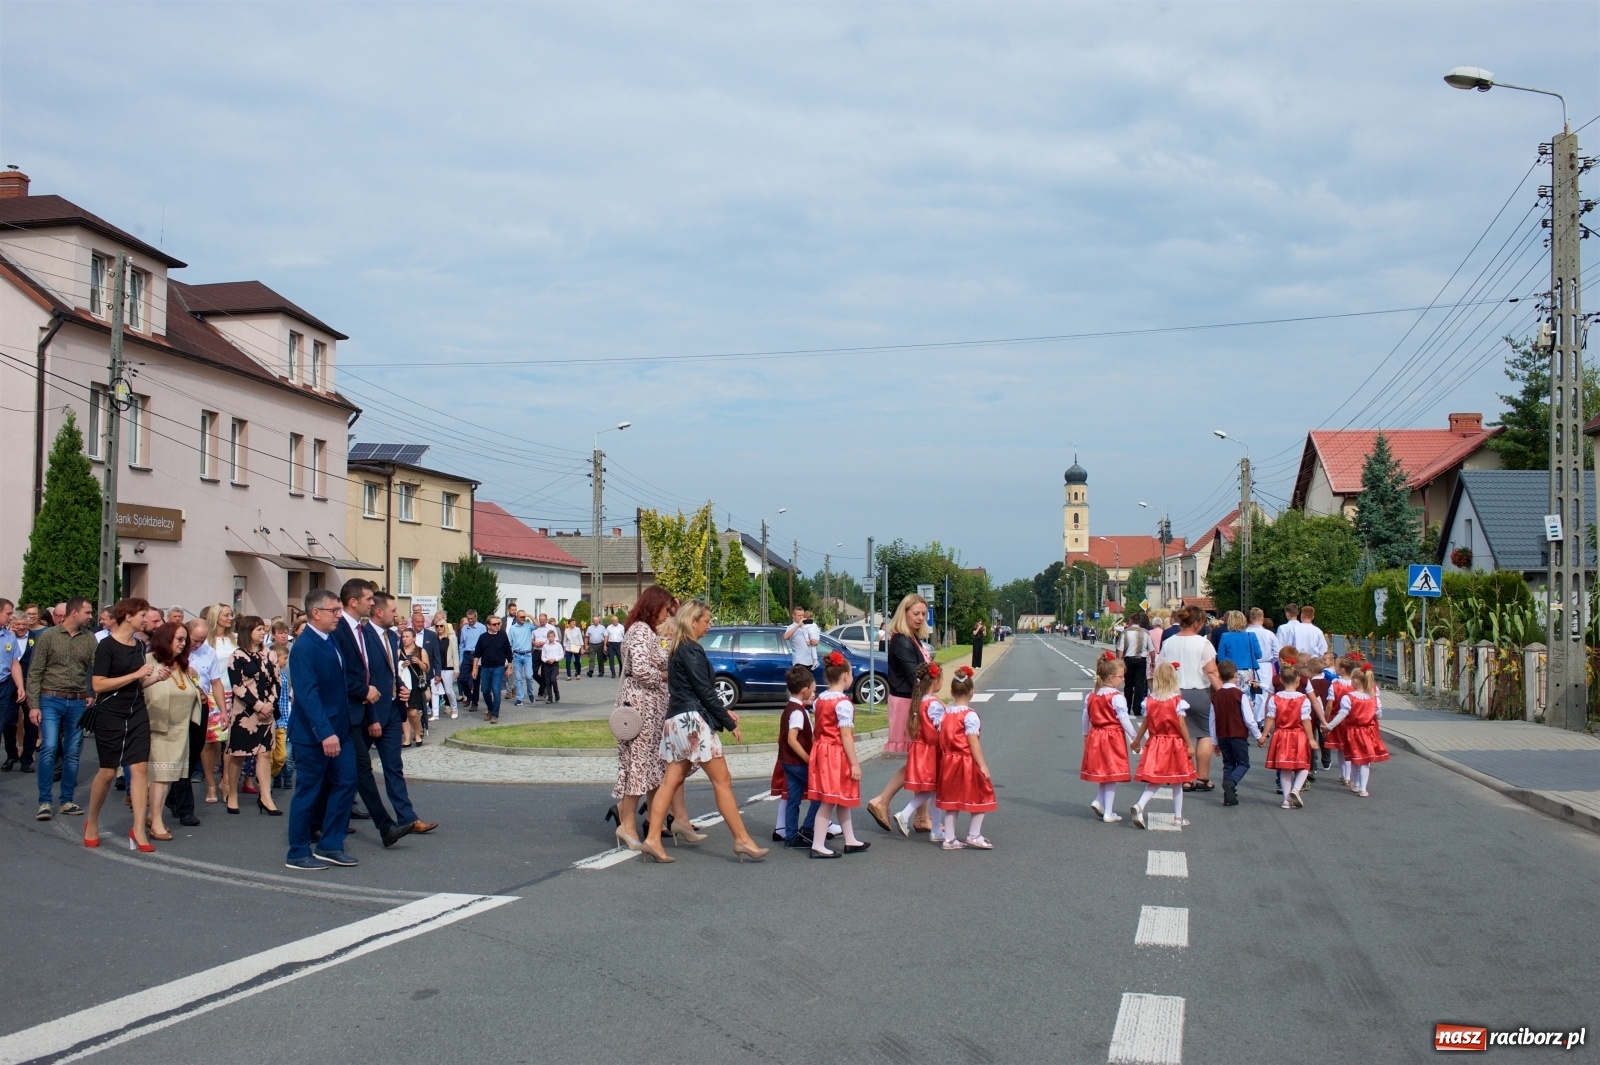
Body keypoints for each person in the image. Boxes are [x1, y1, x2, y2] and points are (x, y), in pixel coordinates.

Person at [639, 601, 768, 864]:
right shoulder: (691, 650)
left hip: (676, 720)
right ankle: (741, 839)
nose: (709, 625)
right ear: (693, 621)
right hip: (692, 722)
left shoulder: (678, 648)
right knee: (722, 781)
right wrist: (729, 723)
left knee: (671, 780)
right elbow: (705, 692)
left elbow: (697, 691)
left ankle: (653, 839)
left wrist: (722, 713)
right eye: (706, 621)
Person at [608, 586, 694, 849]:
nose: (667, 613)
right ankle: (628, 825)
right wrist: (666, 676)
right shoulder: (640, 631)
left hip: (653, 708)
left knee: (654, 767)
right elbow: (641, 670)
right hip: (642, 707)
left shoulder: (649, 631)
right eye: (665, 608)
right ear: (653, 605)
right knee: (639, 766)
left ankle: (651, 823)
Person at [285, 589, 358, 870]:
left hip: (340, 729)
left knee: (347, 781)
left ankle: (330, 843)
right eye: (334, 611)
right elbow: (307, 695)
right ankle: (298, 850)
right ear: (316, 613)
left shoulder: (329, 641)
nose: (339, 615)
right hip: (314, 734)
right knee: (309, 791)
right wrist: (325, 732)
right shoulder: (304, 648)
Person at [84, 598, 159, 852]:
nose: (146, 619)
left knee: (139, 768)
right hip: (110, 713)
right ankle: (92, 820)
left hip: (136, 710)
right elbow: (99, 685)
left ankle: (138, 829)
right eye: (143, 615)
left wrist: (154, 678)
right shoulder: (106, 646)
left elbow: (136, 684)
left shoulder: (139, 645)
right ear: (128, 616)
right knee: (107, 772)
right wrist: (136, 675)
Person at [866, 593, 934, 833]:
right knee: (920, 759)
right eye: (915, 613)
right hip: (908, 704)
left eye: (923, 614)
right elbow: (915, 675)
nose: (920, 618)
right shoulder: (902, 640)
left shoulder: (910, 639)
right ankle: (882, 801)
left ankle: (922, 817)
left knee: (920, 760)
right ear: (904, 613)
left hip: (911, 701)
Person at [27, 597, 97, 819]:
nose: (90, 616)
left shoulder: (89, 639)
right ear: (74, 613)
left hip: (77, 700)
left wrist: (92, 692)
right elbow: (35, 672)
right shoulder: (49, 636)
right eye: (87, 612)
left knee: (73, 752)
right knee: (48, 747)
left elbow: (98, 668)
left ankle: (67, 800)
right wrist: (34, 706)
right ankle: (45, 801)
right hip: (51, 698)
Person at [805, 651, 869, 859]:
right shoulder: (842, 703)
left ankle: (850, 839)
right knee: (829, 800)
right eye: (851, 674)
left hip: (822, 750)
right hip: (835, 753)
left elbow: (818, 729)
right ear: (845, 676)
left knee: (840, 798)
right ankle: (818, 845)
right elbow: (846, 736)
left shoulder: (821, 700)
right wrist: (855, 763)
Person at [143, 622, 200, 840]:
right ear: (165, 639)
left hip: (180, 728)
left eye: (185, 639)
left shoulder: (183, 665)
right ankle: (156, 820)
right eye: (179, 639)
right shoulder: (149, 661)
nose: (183, 643)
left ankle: (153, 815)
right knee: (160, 774)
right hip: (158, 727)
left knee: (169, 777)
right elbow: (139, 688)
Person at [1156, 606, 1221, 793]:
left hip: (1174, 694)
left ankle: (1185, 778)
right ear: (1196, 623)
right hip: (1198, 692)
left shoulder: (1169, 643)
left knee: (1180, 736)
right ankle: (1202, 778)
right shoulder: (1203, 644)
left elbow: (1160, 668)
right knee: (1205, 734)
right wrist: (1224, 693)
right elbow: (1211, 671)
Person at [1129, 663, 1197, 830]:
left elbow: (1145, 723)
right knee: (1177, 780)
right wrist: (1189, 745)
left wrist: (1137, 741)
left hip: (1156, 743)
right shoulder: (1176, 701)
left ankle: (1140, 805)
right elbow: (1181, 725)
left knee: (1156, 779)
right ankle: (1178, 817)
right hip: (1174, 743)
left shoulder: (1150, 700)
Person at [935, 664, 996, 850]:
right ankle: (974, 834)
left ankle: (950, 838)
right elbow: (973, 742)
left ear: (952, 692)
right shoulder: (970, 716)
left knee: (952, 800)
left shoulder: (946, 714)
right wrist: (983, 765)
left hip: (948, 761)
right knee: (982, 794)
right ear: (971, 692)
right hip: (966, 761)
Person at [224, 616, 281, 815]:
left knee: (264, 753)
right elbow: (237, 686)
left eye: (263, 629)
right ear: (248, 631)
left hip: (267, 710)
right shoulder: (237, 656)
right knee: (238, 755)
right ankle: (232, 793)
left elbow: (277, 681)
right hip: (244, 711)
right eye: (259, 629)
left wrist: (270, 704)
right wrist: (257, 705)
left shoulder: (270, 654)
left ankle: (266, 796)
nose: (263, 632)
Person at [1082, 653, 1136, 823]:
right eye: (1121, 677)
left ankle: (1099, 801)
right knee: (1113, 773)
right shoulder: (1117, 698)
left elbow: (1085, 717)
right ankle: (1109, 812)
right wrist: (1134, 737)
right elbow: (1124, 720)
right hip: (1112, 737)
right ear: (1112, 678)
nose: (1123, 680)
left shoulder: (1092, 695)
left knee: (1104, 772)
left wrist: (1085, 734)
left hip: (1096, 735)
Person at [894, 661, 944, 839]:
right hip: (931, 752)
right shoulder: (934, 704)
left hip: (921, 750)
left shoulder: (920, 701)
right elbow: (941, 729)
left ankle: (936, 830)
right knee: (934, 789)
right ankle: (905, 814)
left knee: (935, 791)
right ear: (935, 681)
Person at [1325, 660, 1388, 797]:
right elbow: (1379, 715)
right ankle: (1363, 788)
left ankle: (1354, 783)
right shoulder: (1374, 698)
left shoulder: (1349, 698)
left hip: (1353, 732)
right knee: (1365, 761)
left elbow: (1342, 715)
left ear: (1356, 681)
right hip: (1368, 732)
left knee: (1354, 758)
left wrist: (1329, 726)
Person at [777, 664, 822, 849]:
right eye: (813, 688)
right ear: (805, 690)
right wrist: (807, 758)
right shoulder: (798, 711)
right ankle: (808, 827)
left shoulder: (790, 708)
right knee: (819, 794)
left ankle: (791, 836)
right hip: (798, 763)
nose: (814, 691)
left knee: (793, 798)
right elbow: (792, 739)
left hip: (787, 762)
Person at [1261, 663, 1318, 810]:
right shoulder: (1303, 699)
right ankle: (1296, 789)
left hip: (1281, 735)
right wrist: (1311, 738)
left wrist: (1264, 734)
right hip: (1298, 735)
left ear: (1280, 680)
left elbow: (1270, 717)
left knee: (1284, 768)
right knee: (1304, 765)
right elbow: (1306, 720)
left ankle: (1286, 800)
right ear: (1298, 680)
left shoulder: (1276, 699)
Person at [1209, 661, 1260, 807]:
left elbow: (1212, 721)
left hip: (1222, 735)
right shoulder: (1240, 695)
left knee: (1228, 763)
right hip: (1238, 734)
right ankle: (1231, 782)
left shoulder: (1215, 696)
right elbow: (1249, 719)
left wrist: (1214, 742)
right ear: (1236, 675)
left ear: (1220, 676)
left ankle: (1228, 796)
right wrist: (1258, 735)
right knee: (1243, 763)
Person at [0, 600, 37, 773]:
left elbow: (15, 663)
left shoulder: (27, 639)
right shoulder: (9, 635)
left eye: (24, 624)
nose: (21, 627)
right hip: (8, 686)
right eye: (9, 614)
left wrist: (22, 686)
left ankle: (26, 758)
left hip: (19, 685)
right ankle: (11, 754)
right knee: (8, 723)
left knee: (29, 722)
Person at [471, 615, 513, 723]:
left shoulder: (502, 635)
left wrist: (510, 666)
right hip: (485, 667)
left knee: (496, 690)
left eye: (499, 624)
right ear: (488, 625)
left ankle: (495, 715)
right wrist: (474, 669)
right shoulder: (483, 637)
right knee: (485, 691)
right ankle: (490, 708)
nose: (497, 626)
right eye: (494, 624)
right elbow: (477, 654)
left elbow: (508, 651)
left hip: (498, 667)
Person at [1244, 608, 1279, 727]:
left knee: (1249, 692)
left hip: (1248, 665)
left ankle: (1250, 718)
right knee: (1264, 692)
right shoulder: (1269, 634)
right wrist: (1271, 661)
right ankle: (1261, 719)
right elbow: (1277, 653)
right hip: (1265, 665)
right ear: (1262, 619)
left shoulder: (1245, 632)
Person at [269, 620, 294, 789]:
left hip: (287, 717)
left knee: (287, 753)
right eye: (284, 658)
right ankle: (273, 775)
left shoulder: (285, 677)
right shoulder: (271, 678)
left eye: (286, 632)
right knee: (277, 753)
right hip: (275, 720)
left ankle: (287, 777)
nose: (284, 635)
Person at [399, 627, 430, 746]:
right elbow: (395, 668)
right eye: (403, 637)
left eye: (407, 637)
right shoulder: (399, 651)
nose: (405, 639)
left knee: (413, 712)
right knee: (405, 712)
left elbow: (426, 668)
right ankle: (407, 738)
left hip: (416, 685)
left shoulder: (420, 651)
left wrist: (419, 662)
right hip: (404, 684)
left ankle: (417, 733)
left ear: (413, 638)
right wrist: (402, 665)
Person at [1117, 613, 1150, 717]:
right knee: (1139, 685)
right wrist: (1153, 661)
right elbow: (1152, 649)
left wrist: (1119, 662)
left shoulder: (1125, 633)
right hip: (1141, 660)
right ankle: (1137, 709)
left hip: (1128, 660)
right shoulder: (1146, 633)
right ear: (1139, 621)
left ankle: (1126, 708)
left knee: (1128, 685)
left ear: (1131, 621)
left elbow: (1120, 650)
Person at [432, 614, 460, 719]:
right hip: (437, 667)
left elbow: (455, 655)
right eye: (437, 626)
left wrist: (457, 670)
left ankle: (454, 708)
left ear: (445, 626)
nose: (439, 628)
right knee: (435, 690)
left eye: (441, 626)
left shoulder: (452, 638)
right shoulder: (434, 638)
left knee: (448, 690)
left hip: (448, 667)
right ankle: (435, 713)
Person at [457, 609, 486, 709]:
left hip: (477, 655)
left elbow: (484, 645)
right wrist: (461, 660)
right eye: (469, 619)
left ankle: (474, 702)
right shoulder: (465, 628)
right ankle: (469, 695)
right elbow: (462, 644)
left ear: (476, 617)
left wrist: (480, 661)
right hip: (467, 654)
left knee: (476, 681)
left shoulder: (482, 628)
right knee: (462, 679)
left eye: (472, 619)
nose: (470, 621)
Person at [506, 610, 536, 706]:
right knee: (518, 678)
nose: (523, 619)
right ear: (517, 618)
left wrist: (530, 615)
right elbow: (509, 643)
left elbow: (538, 625)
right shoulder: (513, 628)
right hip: (517, 655)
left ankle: (530, 693)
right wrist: (509, 657)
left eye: (524, 617)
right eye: (521, 617)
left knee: (529, 676)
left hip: (527, 655)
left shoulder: (528, 626)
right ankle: (520, 698)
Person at [538, 614, 564, 703]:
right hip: (547, 664)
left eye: (552, 636)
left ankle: (557, 693)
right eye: (549, 637)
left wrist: (555, 659)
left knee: (553, 680)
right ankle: (550, 698)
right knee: (547, 681)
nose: (551, 638)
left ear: (554, 637)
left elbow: (561, 655)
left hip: (554, 664)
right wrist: (546, 660)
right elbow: (543, 656)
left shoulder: (558, 645)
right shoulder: (545, 646)